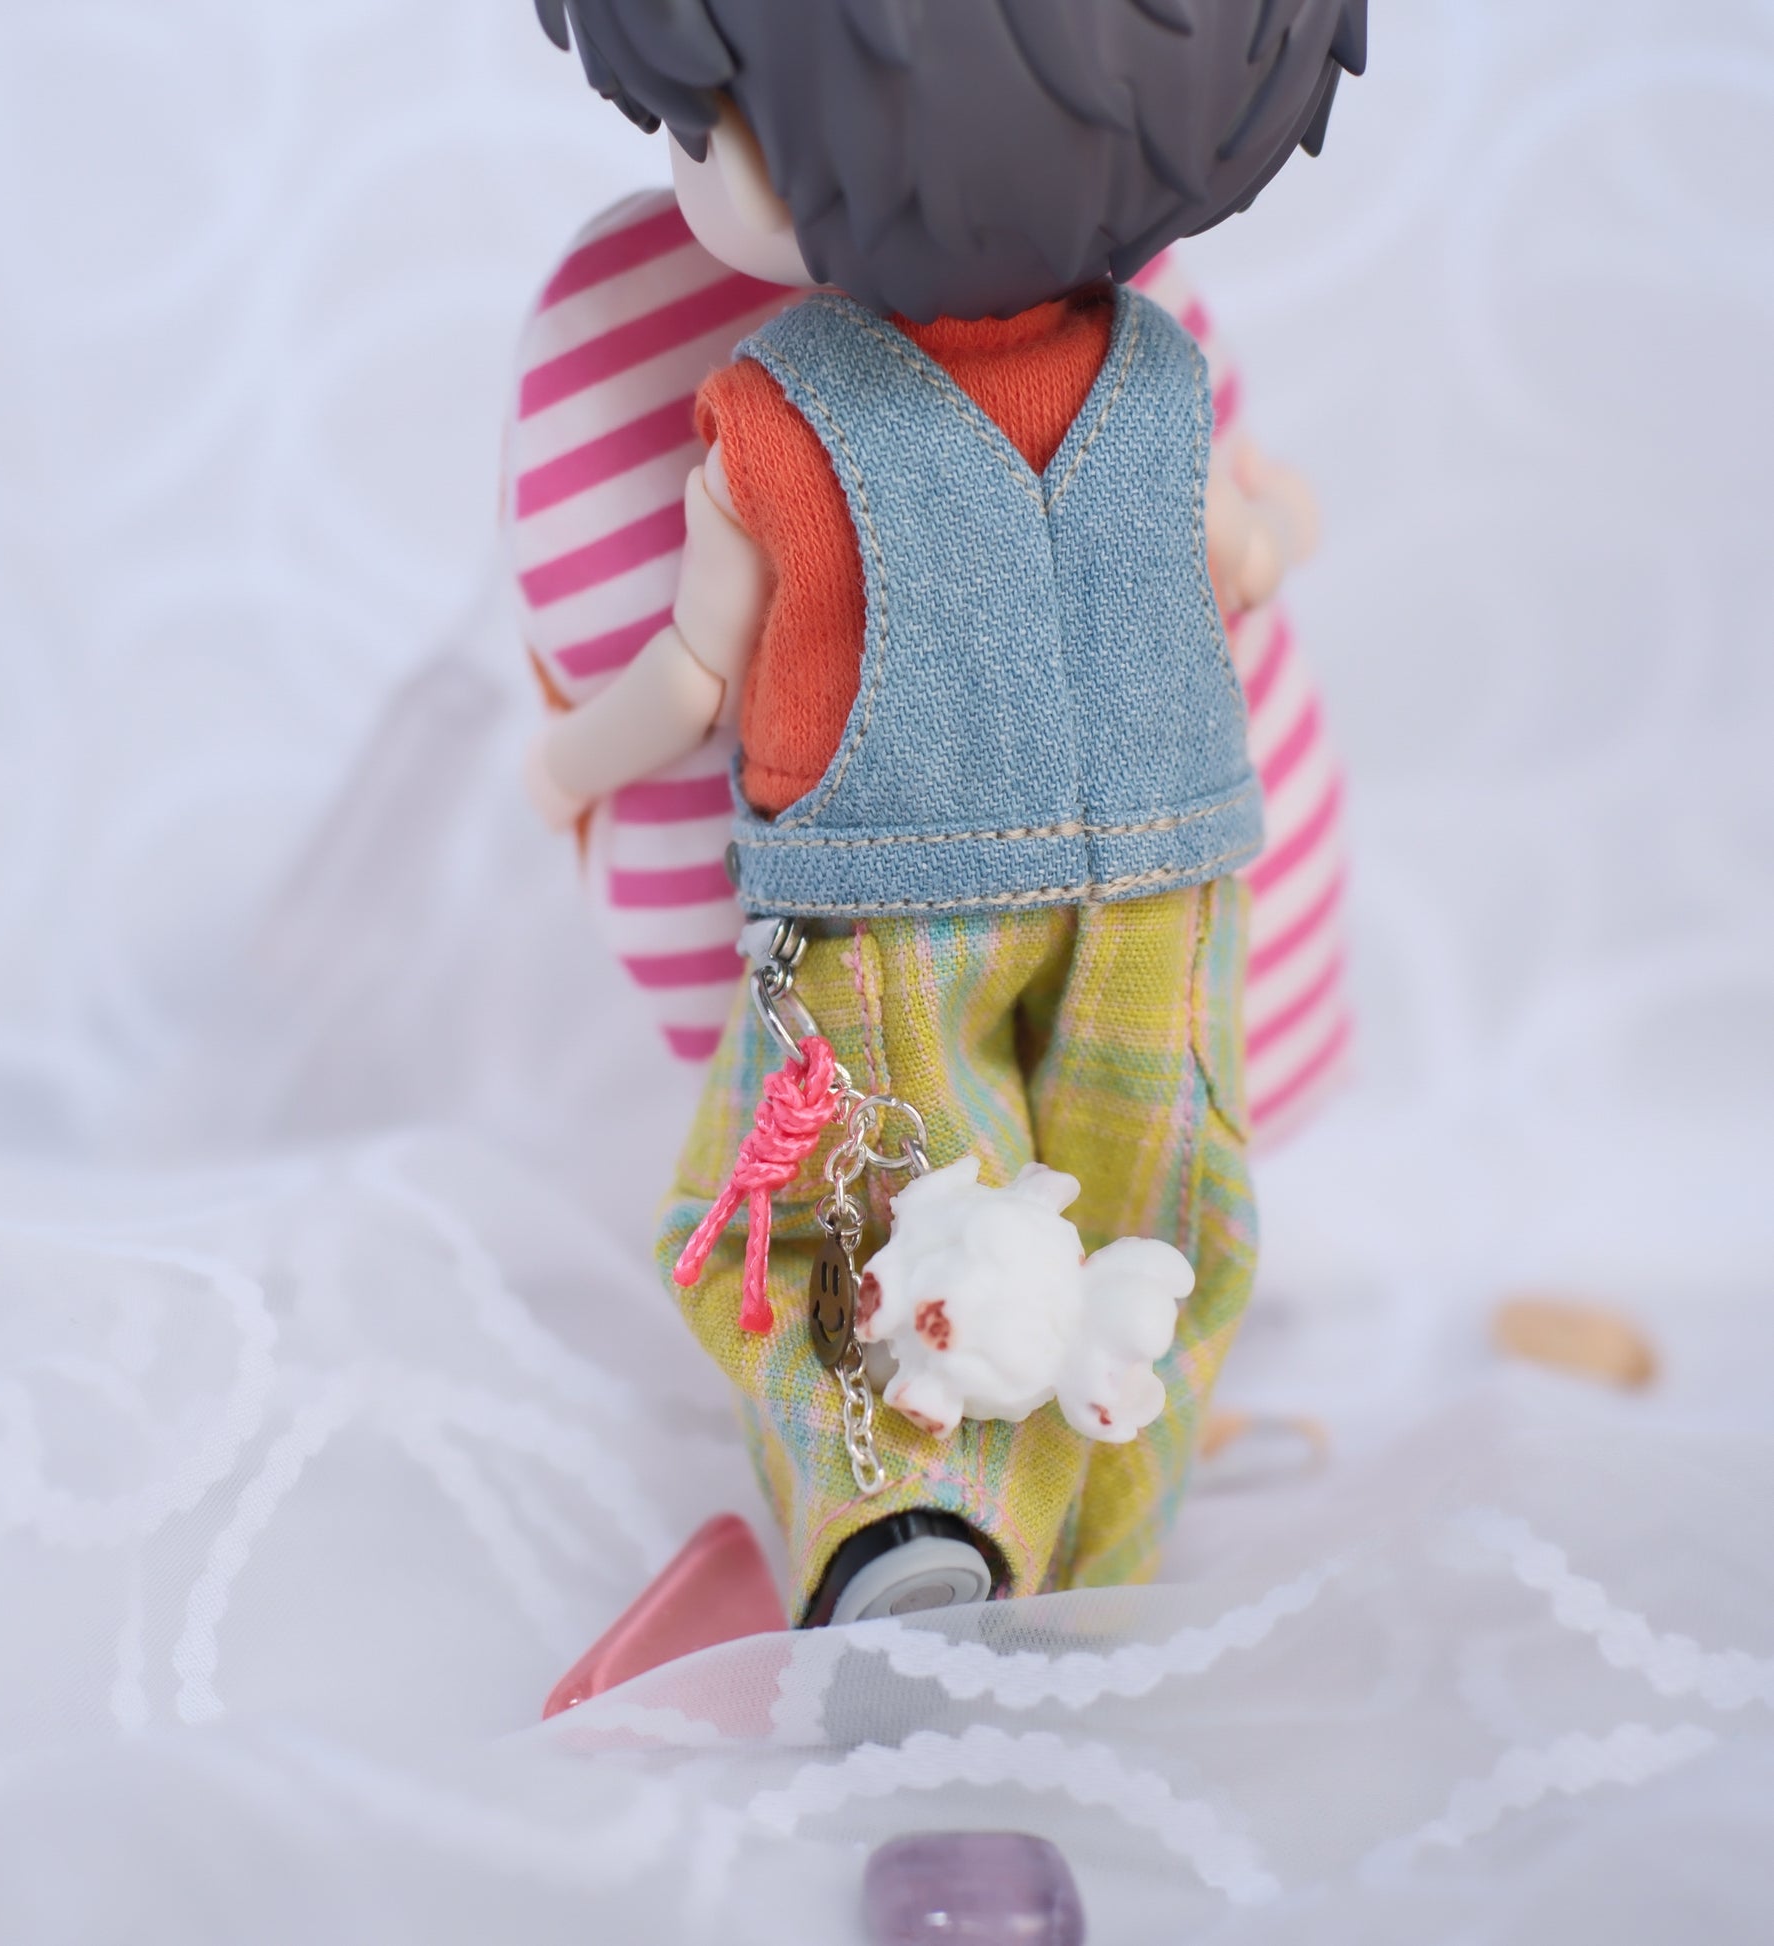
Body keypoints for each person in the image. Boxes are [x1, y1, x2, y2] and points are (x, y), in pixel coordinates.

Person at [525, 0, 1367, 1624]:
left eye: (701, 120)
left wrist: (565, 768)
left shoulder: (769, 421)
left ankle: (911, 1513)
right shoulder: (1160, 369)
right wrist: (1289, 520)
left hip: (886, 894)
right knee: (1155, 1206)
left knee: (887, 1223)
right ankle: (1111, 1528)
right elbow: (1246, 561)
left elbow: (690, 680)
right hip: (1170, 882)